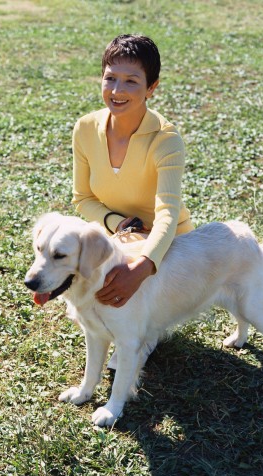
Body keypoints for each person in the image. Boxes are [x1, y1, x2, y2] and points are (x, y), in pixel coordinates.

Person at [72, 34, 194, 308]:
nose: (116, 91)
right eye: (110, 77)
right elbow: (83, 198)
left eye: (131, 81)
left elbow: (167, 215)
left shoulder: (166, 139)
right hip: (119, 236)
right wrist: (118, 224)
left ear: (151, 88)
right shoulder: (85, 128)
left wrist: (141, 267)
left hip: (167, 246)